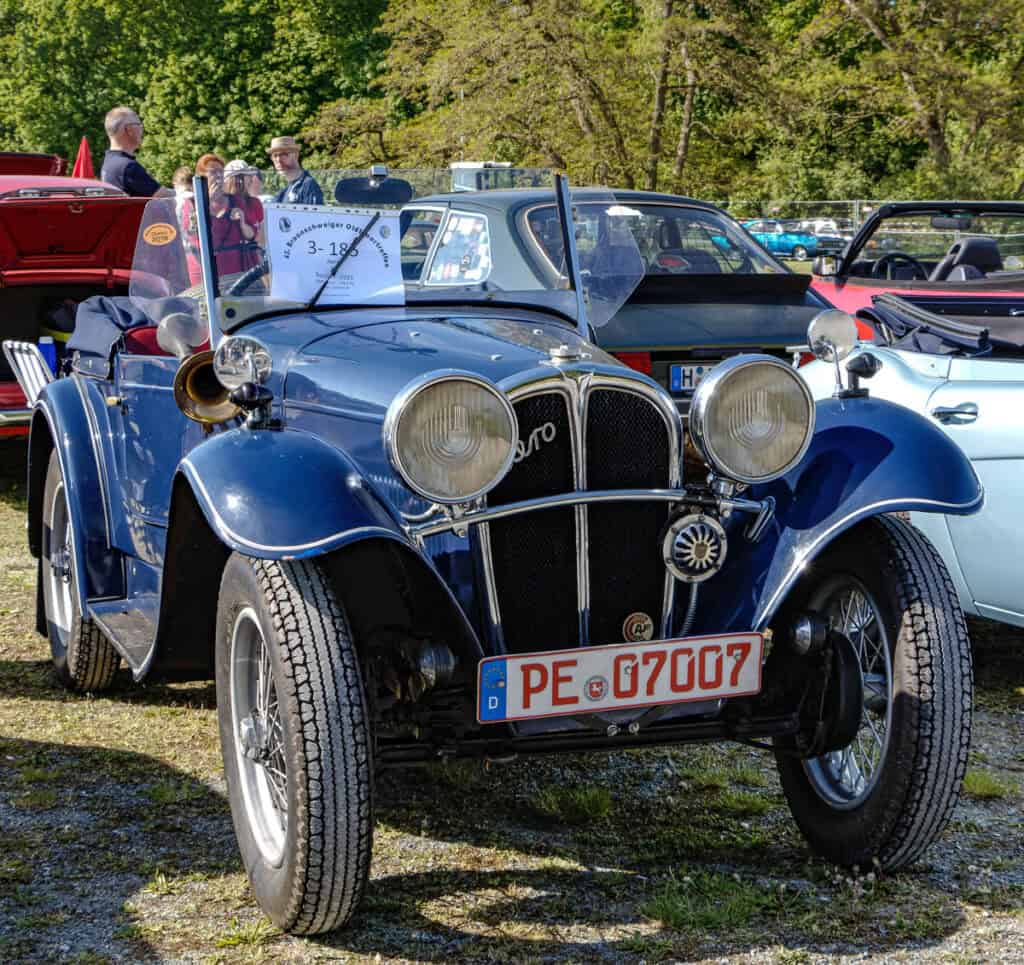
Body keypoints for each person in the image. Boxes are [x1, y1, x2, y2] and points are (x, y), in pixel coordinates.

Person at [181, 154, 260, 285]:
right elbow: (194, 236)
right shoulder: (192, 204)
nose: (218, 176)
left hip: (239, 274)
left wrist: (242, 223)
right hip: (207, 275)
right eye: (212, 172)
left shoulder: (236, 200)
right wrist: (208, 201)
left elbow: (252, 236)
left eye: (221, 172)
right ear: (201, 177)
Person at [100, 107, 171, 197]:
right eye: (139, 125)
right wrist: (187, 193)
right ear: (129, 130)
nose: (142, 129)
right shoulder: (128, 167)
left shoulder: (110, 162)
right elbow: (163, 195)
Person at [224, 158, 265, 254]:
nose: (252, 179)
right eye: (248, 176)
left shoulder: (255, 202)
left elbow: (262, 238)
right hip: (232, 258)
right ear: (237, 179)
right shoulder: (224, 203)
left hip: (254, 257)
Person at [268, 135, 323, 205]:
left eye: (284, 154)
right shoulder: (284, 191)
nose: (278, 160)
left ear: (296, 155)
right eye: (275, 155)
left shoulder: (308, 185)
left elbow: (315, 215)